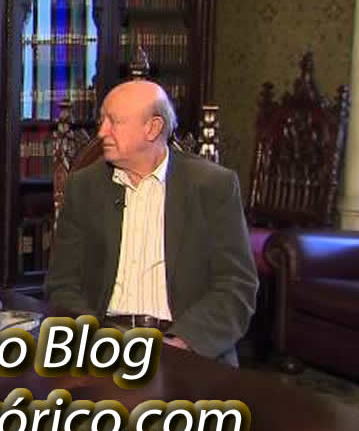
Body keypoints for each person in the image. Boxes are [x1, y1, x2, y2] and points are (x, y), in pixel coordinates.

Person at [46, 79, 257, 366]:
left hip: (184, 344)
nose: (102, 132)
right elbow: (62, 284)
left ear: (153, 128)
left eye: (114, 122)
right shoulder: (84, 186)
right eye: (102, 121)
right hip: (105, 340)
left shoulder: (212, 186)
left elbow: (236, 286)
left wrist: (181, 343)